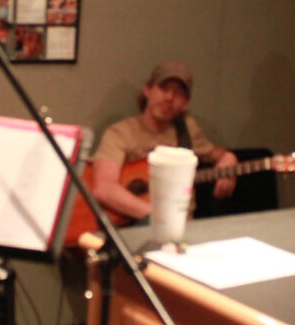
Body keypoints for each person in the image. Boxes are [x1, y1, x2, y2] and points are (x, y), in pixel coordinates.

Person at [90, 60, 238, 221]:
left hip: (186, 227)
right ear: (148, 90)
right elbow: (104, 188)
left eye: (178, 93)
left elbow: (218, 154)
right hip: (136, 225)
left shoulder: (188, 130)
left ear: (185, 103)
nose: (169, 97)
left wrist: (230, 158)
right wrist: (157, 215)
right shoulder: (120, 133)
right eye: (163, 88)